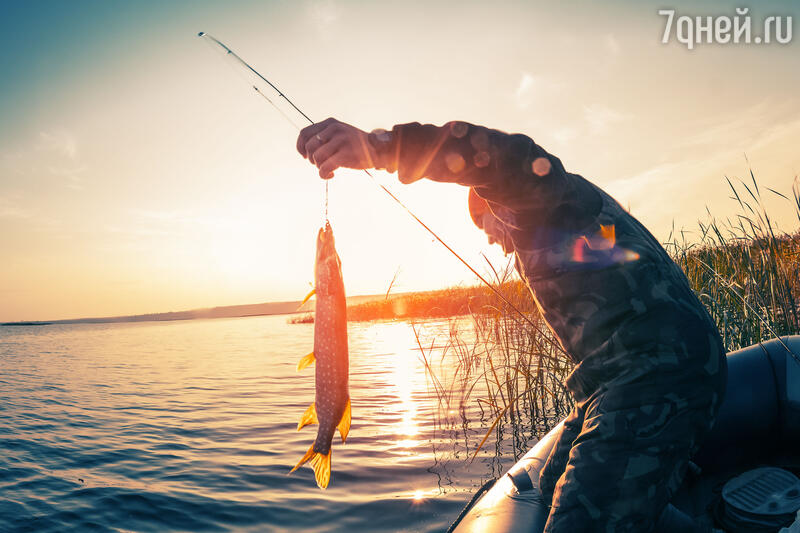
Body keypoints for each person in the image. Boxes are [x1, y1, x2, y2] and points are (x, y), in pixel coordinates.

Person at [296, 118, 728, 532]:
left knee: (577, 522)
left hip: (661, 372)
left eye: (485, 225)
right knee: (551, 480)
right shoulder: (560, 227)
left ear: (502, 200)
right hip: (617, 380)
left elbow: (496, 156)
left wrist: (380, 148)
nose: (490, 240)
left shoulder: (545, 194)